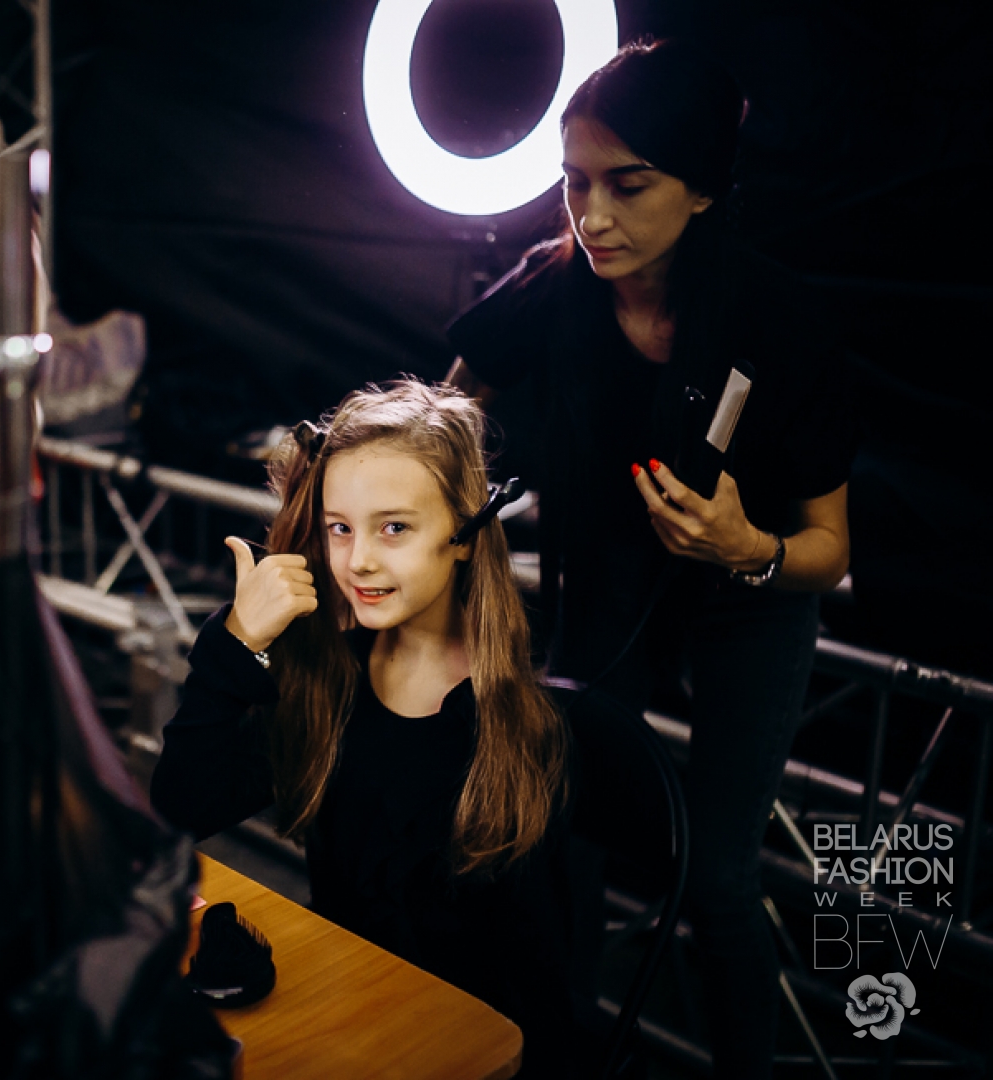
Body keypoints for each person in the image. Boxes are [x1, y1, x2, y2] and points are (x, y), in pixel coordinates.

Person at [445, 39, 855, 1077]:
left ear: (703, 190)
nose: (592, 216)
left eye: (627, 186)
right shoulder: (555, 284)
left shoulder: (780, 319)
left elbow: (829, 551)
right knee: (559, 834)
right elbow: (446, 410)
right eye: (574, 182)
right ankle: (561, 1054)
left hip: (750, 595)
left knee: (716, 880)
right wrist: (421, 484)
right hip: (609, 583)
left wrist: (750, 547)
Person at [150, 380, 574, 1077]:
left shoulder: (528, 726)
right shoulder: (328, 681)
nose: (359, 561)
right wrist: (235, 645)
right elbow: (179, 809)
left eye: (394, 528)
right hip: (348, 1016)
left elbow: (541, 980)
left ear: (465, 536)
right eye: (340, 528)